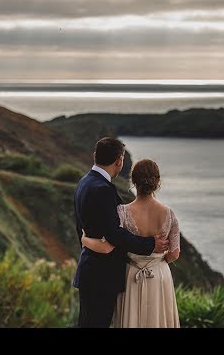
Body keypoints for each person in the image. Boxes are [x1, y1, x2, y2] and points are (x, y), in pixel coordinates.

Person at [72, 137, 169, 328]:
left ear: (95, 156)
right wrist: (150, 244)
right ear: (119, 161)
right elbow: (114, 233)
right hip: (102, 275)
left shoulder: (84, 182)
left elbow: (80, 226)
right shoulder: (102, 189)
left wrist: (88, 244)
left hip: (89, 267)